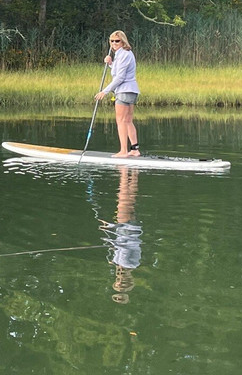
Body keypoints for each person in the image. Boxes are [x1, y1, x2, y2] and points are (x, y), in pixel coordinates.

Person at [100, 166, 142, 304]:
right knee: (124, 199)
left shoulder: (126, 263)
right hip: (126, 229)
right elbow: (123, 246)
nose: (120, 278)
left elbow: (117, 245)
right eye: (122, 281)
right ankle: (125, 172)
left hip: (129, 229)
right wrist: (111, 228)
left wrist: (108, 230)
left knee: (130, 201)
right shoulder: (128, 263)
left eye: (118, 280)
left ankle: (134, 173)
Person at [95, 30, 140, 157]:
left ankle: (123, 151)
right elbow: (118, 70)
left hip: (124, 91)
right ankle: (135, 149)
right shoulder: (123, 54)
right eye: (112, 41)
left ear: (123, 41)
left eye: (117, 41)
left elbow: (120, 77)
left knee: (121, 121)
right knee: (128, 120)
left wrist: (105, 91)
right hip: (131, 90)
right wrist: (110, 63)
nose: (114, 43)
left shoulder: (124, 54)